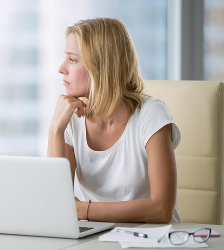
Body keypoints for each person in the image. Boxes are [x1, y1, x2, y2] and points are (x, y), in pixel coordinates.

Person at [48, 17, 181, 223]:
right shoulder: (69, 119)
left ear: (101, 67)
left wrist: (84, 210)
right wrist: (55, 129)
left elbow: (161, 209)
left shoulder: (151, 114)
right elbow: (56, 207)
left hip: (152, 239)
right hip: (95, 239)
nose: (61, 68)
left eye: (72, 60)